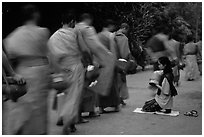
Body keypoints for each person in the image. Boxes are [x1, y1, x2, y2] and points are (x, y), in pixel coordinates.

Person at [3, 4, 51, 134]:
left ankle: (19, 130)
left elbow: (10, 58)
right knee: (38, 110)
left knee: (22, 106)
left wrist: (12, 75)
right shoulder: (42, 32)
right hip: (39, 72)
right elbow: (48, 54)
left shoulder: (12, 36)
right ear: (35, 14)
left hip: (22, 72)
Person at [75, 14, 116, 113]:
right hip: (86, 61)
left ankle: (75, 112)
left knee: (75, 88)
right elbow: (95, 46)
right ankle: (88, 111)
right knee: (88, 86)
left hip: (72, 61)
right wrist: (107, 55)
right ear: (88, 20)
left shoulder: (74, 29)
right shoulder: (88, 29)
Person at [97, 19, 120, 113]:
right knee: (113, 84)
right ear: (110, 25)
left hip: (100, 63)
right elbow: (114, 50)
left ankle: (101, 107)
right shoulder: (111, 36)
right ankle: (115, 105)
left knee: (101, 84)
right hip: (110, 63)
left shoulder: (97, 36)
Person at [114, 23, 131, 106]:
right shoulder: (124, 38)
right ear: (124, 28)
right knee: (122, 80)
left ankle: (116, 98)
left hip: (112, 60)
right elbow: (125, 52)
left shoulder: (112, 35)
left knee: (114, 80)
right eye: (127, 30)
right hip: (121, 61)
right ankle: (120, 98)